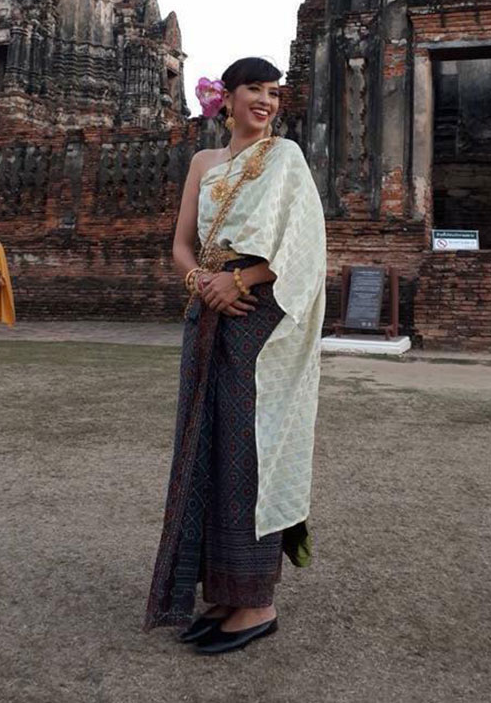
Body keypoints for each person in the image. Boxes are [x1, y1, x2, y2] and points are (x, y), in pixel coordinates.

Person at [143, 57, 327, 655]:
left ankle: (258, 600)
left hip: (257, 317)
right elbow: (180, 245)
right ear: (226, 96)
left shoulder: (285, 158)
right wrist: (203, 283)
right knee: (206, 445)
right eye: (255, 89)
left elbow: (303, 242)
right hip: (208, 313)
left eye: (275, 93)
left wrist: (241, 280)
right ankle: (222, 590)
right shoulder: (205, 163)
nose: (267, 102)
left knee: (250, 448)